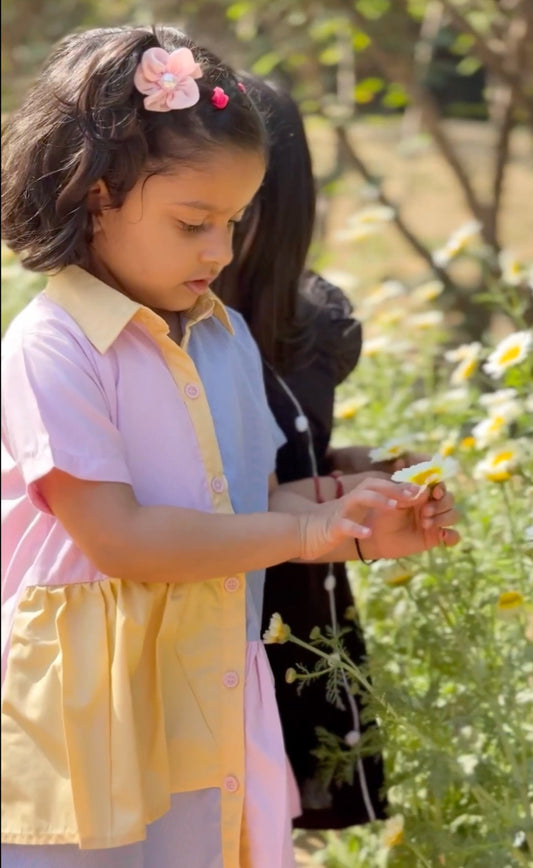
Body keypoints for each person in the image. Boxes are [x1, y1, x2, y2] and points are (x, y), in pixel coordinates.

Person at [0, 26, 459, 868]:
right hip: (89, 713)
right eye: (192, 223)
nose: (220, 250)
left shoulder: (225, 339)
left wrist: (355, 522)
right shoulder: (54, 345)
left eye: (235, 221)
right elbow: (121, 538)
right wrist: (304, 532)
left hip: (206, 684)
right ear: (95, 197)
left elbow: (246, 504)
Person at [215, 73, 456, 831]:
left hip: (293, 600)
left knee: (276, 810)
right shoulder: (156, 328)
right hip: (204, 590)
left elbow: (290, 457)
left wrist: (361, 467)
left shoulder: (309, 323)